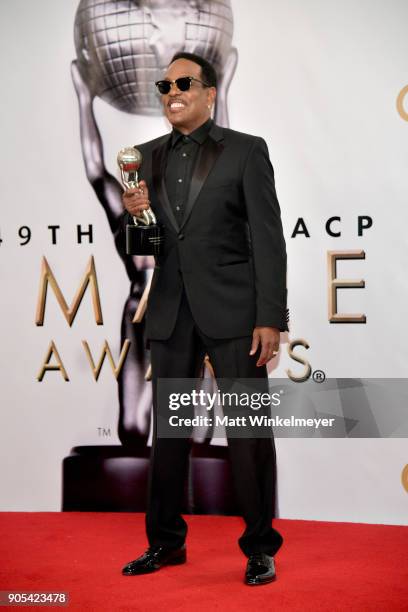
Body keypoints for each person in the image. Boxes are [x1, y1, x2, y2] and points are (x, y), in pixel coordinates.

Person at [120, 52, 288, 586]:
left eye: (184, 82)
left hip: (236, 312)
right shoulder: (142, 158)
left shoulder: (246, 151)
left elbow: (267, 240)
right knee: (167, 437)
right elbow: (146, 250)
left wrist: (270, 317)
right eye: (165, 83)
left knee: (248, 435)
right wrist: (137, 217)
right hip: (171, 310)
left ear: (209, 93)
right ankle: (164, 543)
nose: (172, 90)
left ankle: (260, 547)